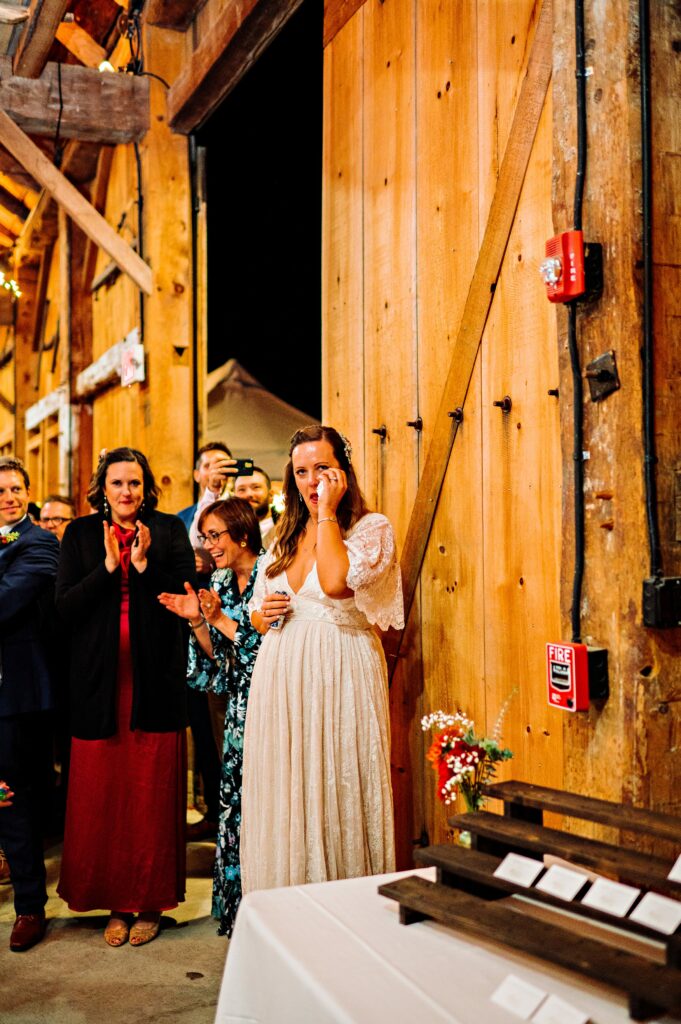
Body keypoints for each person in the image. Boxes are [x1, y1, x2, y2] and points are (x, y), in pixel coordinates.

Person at [241, 425, 404, 893]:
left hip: (339, 669)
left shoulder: (372, 529)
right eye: (301, 472)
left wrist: (329, 513)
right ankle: (284, 904)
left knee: (335, 786)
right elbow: (256, 610)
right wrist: (261, 614)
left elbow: (336, 583)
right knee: (288, 789)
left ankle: (343, 905)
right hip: (280, 673)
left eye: (323, 470)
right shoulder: (281, 536)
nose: (312, 482)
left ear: (343, 472)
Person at [56, 447, 196, 947]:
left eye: (135, 483)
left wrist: (140, 567)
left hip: (154, 682)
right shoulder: (78, 534)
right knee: (105, 797)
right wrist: (108, 569)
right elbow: (65, 608)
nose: (127, 492)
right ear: (103, 488)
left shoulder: (170, 531)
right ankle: (117, 903)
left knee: (150, 796)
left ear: (146, 487)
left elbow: (187, 592)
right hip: (97, 686)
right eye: (117, 483)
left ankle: (151, 903)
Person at [159, 498, 263, 936]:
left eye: (215, 535)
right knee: (233, 805)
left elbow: (264, 651)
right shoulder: (218, 579)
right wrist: (199, 623)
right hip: (237, 707)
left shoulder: (271, 575)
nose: (209, 545)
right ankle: (240, 912)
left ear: (242, 532)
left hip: (273, 700)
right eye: (205, 536)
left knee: (265, 803)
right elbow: (218, 662)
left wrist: (217, 617)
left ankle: (270, 905)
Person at [0, 456, 59, 952]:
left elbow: (5, 602)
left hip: (10, 696)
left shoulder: (38, 543)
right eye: (0, 490)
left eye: (17, 488)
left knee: (10, 799)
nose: (9, 496)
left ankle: (29, 906)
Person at [178, 442, 237, 842]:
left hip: (230, 623)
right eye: (208, 465)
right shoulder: (184, 518)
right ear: (198, 474)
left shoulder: (242, 508)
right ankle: (216, 807)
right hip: (196, 627)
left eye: (222, 463)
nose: (215, 470)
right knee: (203, 727)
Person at [234, 466, 278, 547]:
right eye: (241, 489)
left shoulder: (288, 530)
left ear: (271, 495)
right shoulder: (228, 535)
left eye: (256, 487)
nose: (249, 494)